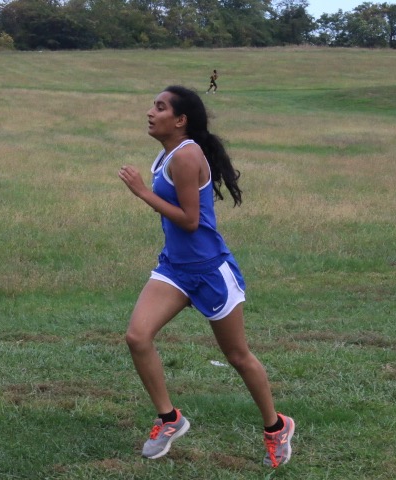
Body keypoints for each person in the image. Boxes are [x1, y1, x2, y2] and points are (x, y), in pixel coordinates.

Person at [118, 86, 294, 467]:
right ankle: (170, 419)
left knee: (237, 355)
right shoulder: (166, 154)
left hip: (210, 272)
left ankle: (276, 426)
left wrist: (141, 193)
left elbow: (190, 220)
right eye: (153, 105)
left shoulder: (187, 155)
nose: (150, 112)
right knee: (137, 336)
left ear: (180, 120)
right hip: (175, 269)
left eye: (160, 107)